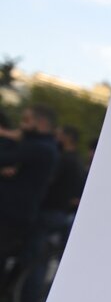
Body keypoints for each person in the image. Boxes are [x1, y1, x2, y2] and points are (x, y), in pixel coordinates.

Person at [0, 104, 60, 260]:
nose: (22, 125)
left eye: (26, 120)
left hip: (12, 213)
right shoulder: (43, 146)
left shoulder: (40, 148)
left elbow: (7, 158)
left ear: (41, 123)